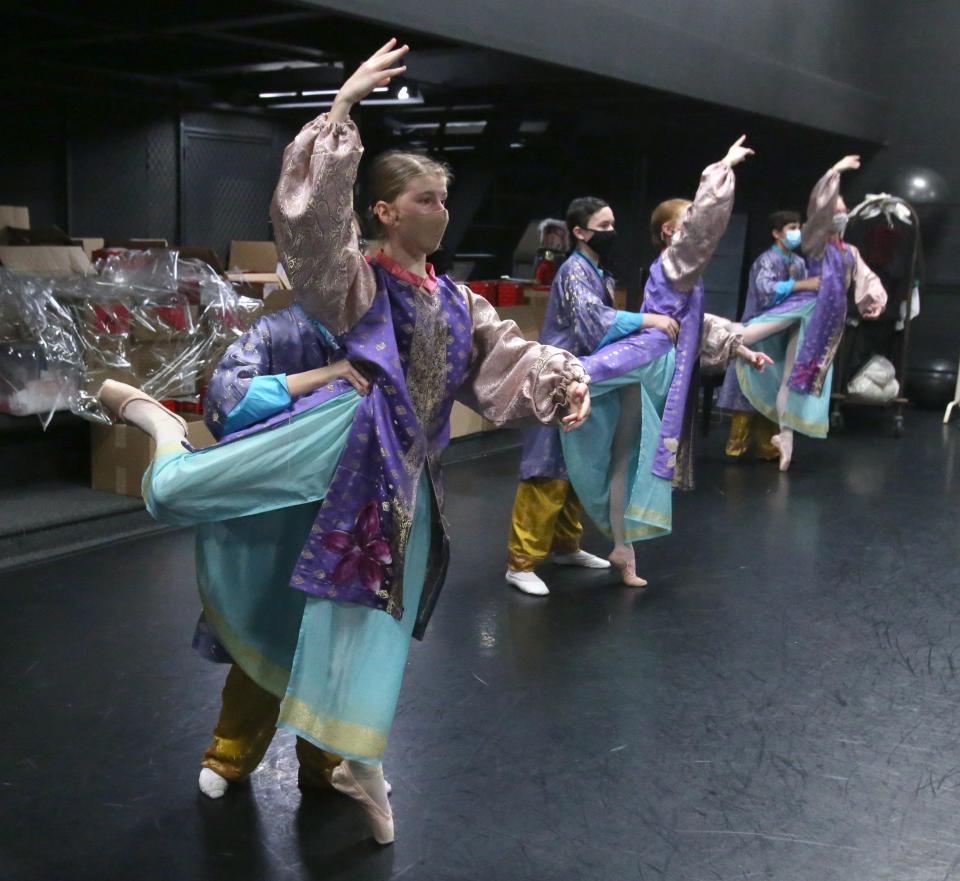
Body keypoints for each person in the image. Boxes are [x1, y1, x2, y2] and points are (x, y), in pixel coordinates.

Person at [97, 38, 591, 846]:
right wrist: (340, 113)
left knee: (361, 636)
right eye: (426, 197)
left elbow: (505, 360)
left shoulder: (460, 302)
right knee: (277, 610)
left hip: (402, 491)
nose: (441, 208)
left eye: (444, 197)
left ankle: (335, 761)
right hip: (331, 470)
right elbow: (313, 236)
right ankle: (234, 745)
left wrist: (560, 383)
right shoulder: (355, 287)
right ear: (387, 212)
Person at [558, 136, 771, 587]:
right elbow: (702, 232)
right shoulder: (675, 263)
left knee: (628, 456)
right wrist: (723, 168)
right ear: (672, 233)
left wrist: (743, 349)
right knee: (614, 429)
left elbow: (700, 324)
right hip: (652, 355)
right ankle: (618, 544)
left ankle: (622, 547)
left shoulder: (680, 278)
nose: (693, 228)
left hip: (659, 358)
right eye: (685, 222)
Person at [505, 196, 680, 596]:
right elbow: (592, 323)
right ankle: (520, 562)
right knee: (547, 469)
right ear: (580, 232)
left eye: (613, 223)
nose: (612, 232)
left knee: (579, 467)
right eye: (604, 225)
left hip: (583, 379)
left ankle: (567, 546)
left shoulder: (598, 272)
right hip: (557, 380)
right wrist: (647, 321)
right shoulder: (573, 272)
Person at [733, 157, 888, 470]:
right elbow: (819, 207)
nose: (841, 216)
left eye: (844, 212)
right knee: (748, 334)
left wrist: (873, 300)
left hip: (827, 319)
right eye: (837, 211)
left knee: (795, 377)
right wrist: (835, 172)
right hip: (808, 306)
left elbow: (867, 278)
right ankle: (702, 334)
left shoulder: (849, 252)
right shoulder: (818, 243)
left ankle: (785, 438)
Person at [717, 210, 820, 459]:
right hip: (758, 330)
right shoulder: (766, 261)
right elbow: (766, 291)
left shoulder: (798, 263)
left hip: (782, 334)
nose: (797, 232)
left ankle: (769, 446)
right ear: (776, 233)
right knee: (746, 389)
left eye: (798, 226)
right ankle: (737, 445)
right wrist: (800, 285)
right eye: (791, 227)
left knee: (774, 389)